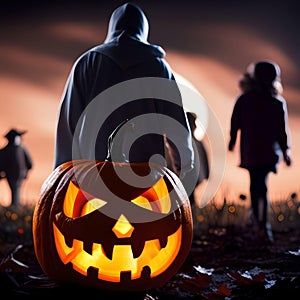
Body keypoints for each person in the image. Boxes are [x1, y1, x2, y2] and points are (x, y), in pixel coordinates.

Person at [53, 3, 194, 184]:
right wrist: (184, 165)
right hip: (145, 177)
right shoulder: (158, 68)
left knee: (94, 212)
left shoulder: (87, 64)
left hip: (92, 174)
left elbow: (68, 121)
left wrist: (62, 171)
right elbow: (175, 123)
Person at [228, 60, 292, 242]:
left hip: (253, 151)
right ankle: (261, 222)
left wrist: (232, 140)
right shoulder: (276, 102)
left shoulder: (245, 100)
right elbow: (282, 131)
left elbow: (235, 123)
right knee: (260, 185)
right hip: (266, 151)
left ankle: (260, 222)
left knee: (257, 184)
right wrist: (286, 151)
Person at [0, 128, 33, 206]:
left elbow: (29, 164)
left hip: (16, 174)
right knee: (15, 189)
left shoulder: (6, 150)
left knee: (15, 189)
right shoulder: (20, 149)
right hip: (15, 174)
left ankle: (15, 205)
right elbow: (29, 163)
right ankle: (15, 205)